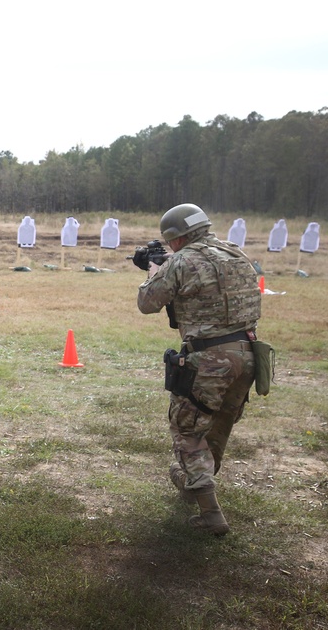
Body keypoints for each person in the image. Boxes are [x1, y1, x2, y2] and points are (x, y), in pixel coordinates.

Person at [136, 203, 261, 535]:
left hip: (209, 358)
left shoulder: (181, 261)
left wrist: (152, 273)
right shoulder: (237, 254)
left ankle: (211, 514)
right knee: (220, 423)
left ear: (176, 238)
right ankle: (196, 483)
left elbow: (148, 303)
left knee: (188, 429)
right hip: (249, 354)